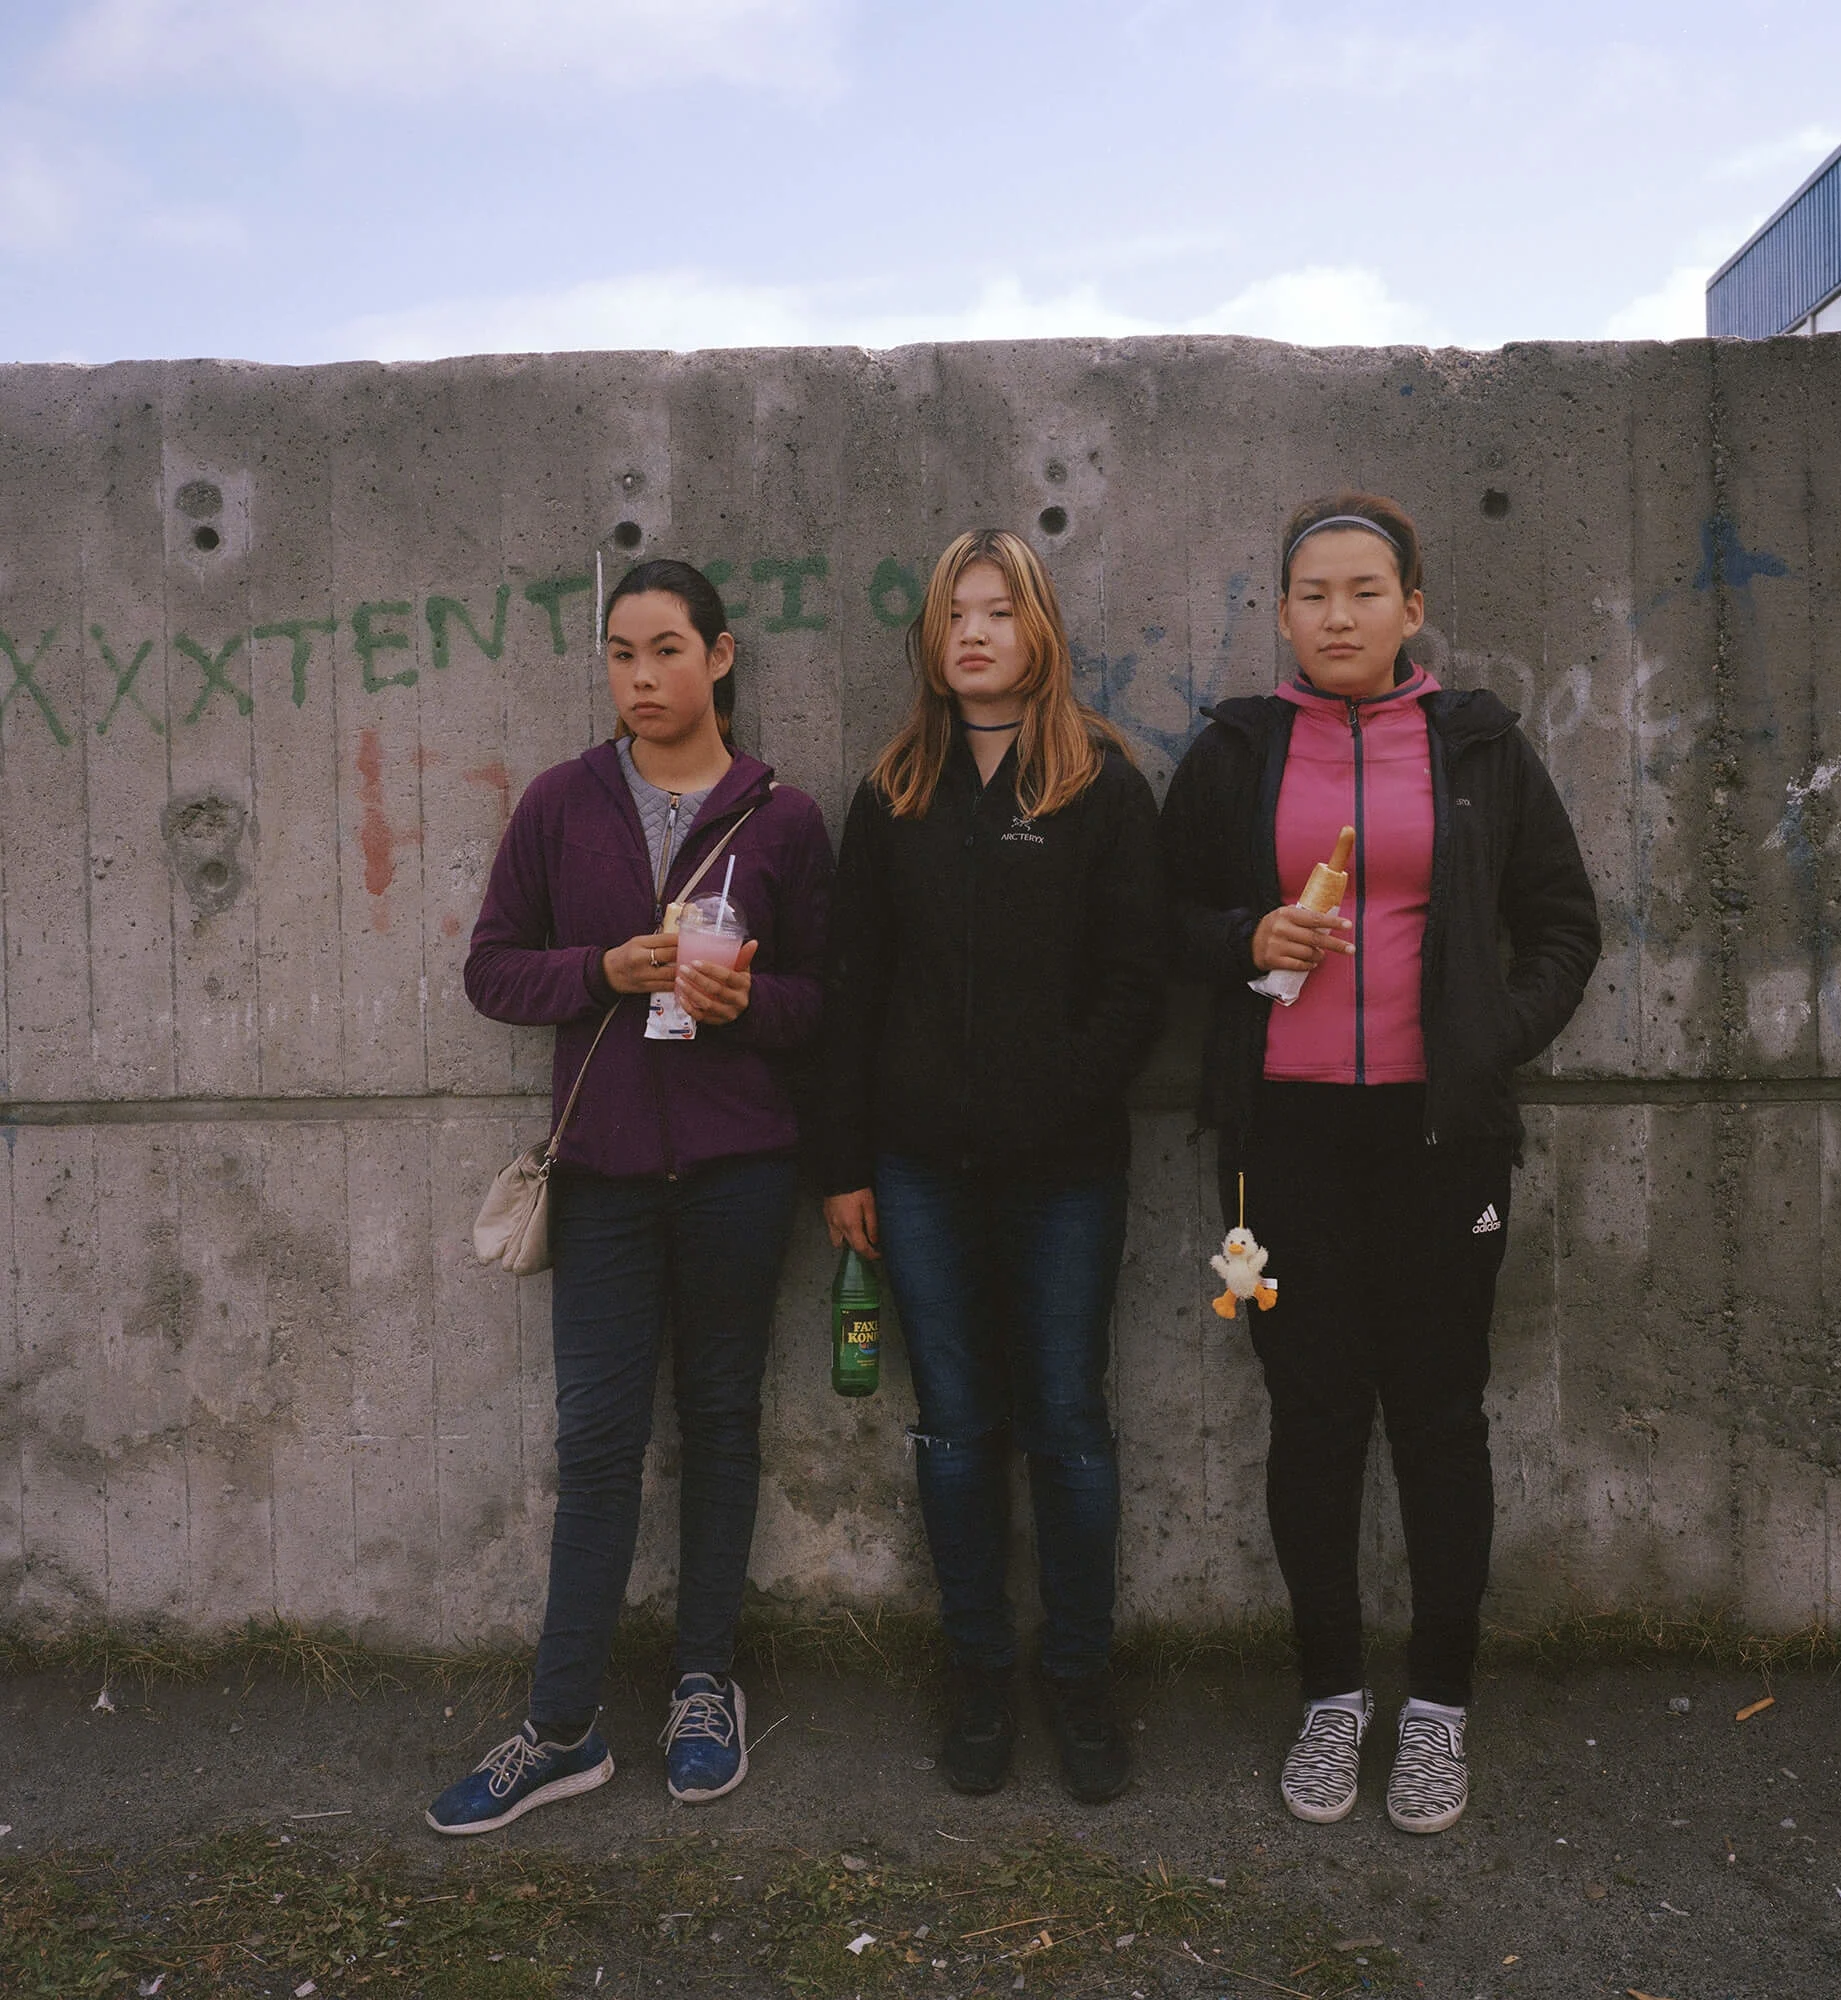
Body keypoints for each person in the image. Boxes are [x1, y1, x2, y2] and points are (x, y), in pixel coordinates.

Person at [1159, 494, 1598, 1835]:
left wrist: (1485, 1043)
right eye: (1312, 594)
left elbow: (1564, 925)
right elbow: (1157, 918)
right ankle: (1333, 1698)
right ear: (1282, 614)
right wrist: (1247, 941)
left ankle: (1439, 1712)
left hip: (1438, 1138)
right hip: (1284, 1138)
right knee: (1313, 1413)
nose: (1337, 615)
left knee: (1440, 1413)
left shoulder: (1480, 745)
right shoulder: (1237, 750)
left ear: (1413, 607)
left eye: (1365, 591)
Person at [427, 559, 834, 1833]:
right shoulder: (561, 804)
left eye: (665, 650)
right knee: (597, 1441)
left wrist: (746, 1003)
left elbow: (827, 1002)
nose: (640, 677)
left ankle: (702, 1688)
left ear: (720, 656)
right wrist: (601, 969)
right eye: (619, 653)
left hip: (738, 1171)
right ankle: (559, 1726)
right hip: (600, 1176)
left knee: (720, 1421)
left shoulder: (783, 819)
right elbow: (491, 971)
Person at [818, 528, 1166, 1803]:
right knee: (955, 1427)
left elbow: (1137, 988)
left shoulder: (1103, 787)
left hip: (1065, 1169)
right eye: (952, 613)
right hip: (914, 1171)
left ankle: (1077, 1677)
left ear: (1039, 633)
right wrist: (844, 1159)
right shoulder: (891, 792)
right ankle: (977, 1673)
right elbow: (850, 992)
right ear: (929, 639)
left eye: (997, 611)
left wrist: (1045, 1103)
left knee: (1066, 1422)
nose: (972, 633)